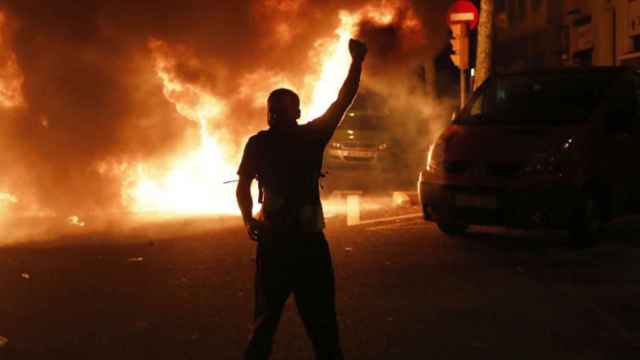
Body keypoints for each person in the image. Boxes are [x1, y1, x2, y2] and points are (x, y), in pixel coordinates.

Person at [236, 38, 367, 360]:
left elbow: (242, 187)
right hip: (308, 243)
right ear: (296, 112)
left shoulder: (258, 143)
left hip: (274, 243)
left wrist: (248, 218)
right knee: (322, 327)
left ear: (271, 115)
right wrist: (356, 62)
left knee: (264, 325)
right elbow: (343, 99)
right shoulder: (311, 136)